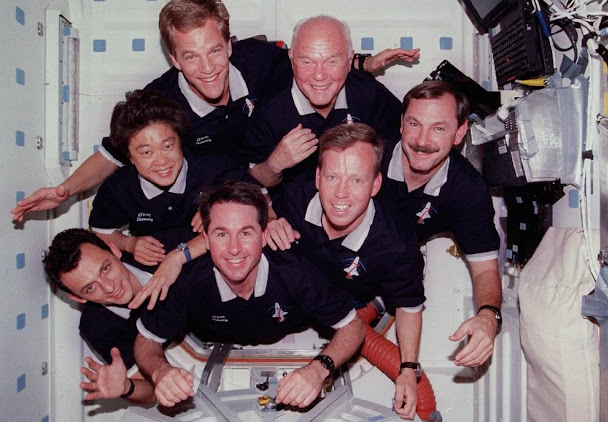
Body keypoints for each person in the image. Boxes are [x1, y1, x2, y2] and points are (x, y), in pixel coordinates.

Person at [11, 0, 418, 223]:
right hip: (220, 189)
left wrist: (363, 63)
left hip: (273, 175)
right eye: (191, 56)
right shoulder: (160, 100)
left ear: (229, 45)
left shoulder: (258, 59)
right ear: (174, 59)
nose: (207, 68)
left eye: (215, 51)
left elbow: (313, 64)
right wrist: (66, 189)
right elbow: (114, 153)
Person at [134, 180, 365, 408]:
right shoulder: (190, 281)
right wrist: (160, 371)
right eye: (222, 234)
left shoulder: (295, 272)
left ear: (264, 236)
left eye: (245, 233)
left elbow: (353, 326)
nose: (234, 249)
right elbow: (146, 340)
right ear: (206, 240)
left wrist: (318, 369)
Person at [266, 123, 425, 420]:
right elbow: (265, 205)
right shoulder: (298, 195)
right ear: (317, 178)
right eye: (332, 177)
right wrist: (271, 220)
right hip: (300, 296)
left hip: (352, 305)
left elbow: (408, 306)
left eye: (356, 180)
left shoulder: (396, 244)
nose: (341, 193)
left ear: (375, 184)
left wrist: (407, 369)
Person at [378, 80, 502, 367]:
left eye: (439, 128)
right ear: (401, 124)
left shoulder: (467, 189)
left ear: (459, 133)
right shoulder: (370, 157)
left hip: (390, 270)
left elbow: (485, 269)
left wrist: (488, 315)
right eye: (415, 124)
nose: (422, 140)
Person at [89, 89, 248, 268]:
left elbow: (259, 205)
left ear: (180, 140)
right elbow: (101, 231)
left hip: (215, 264)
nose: (162, 161)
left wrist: (221, 210)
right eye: (146, 152)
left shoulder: (215, 166)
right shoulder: (119, 188)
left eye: (167, 146)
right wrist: (129, 244)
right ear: (130, 157)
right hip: (153, 271)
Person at [242, 15, 406, 187]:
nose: (319, 75)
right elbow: (252, 183)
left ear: (350, 60)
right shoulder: (270, 108)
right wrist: (274, 165)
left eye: (331, 61)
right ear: (291, 60)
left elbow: (405, 146)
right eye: (307, 62)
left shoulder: (368, 93)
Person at [43, 228, 158, 404]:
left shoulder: (152, 249)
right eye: (90, 288)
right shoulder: (97, 327)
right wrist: (127, 387)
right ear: (78, 298)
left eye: (105, 268)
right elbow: (151, 392)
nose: (109, 287)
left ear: (114, 250)